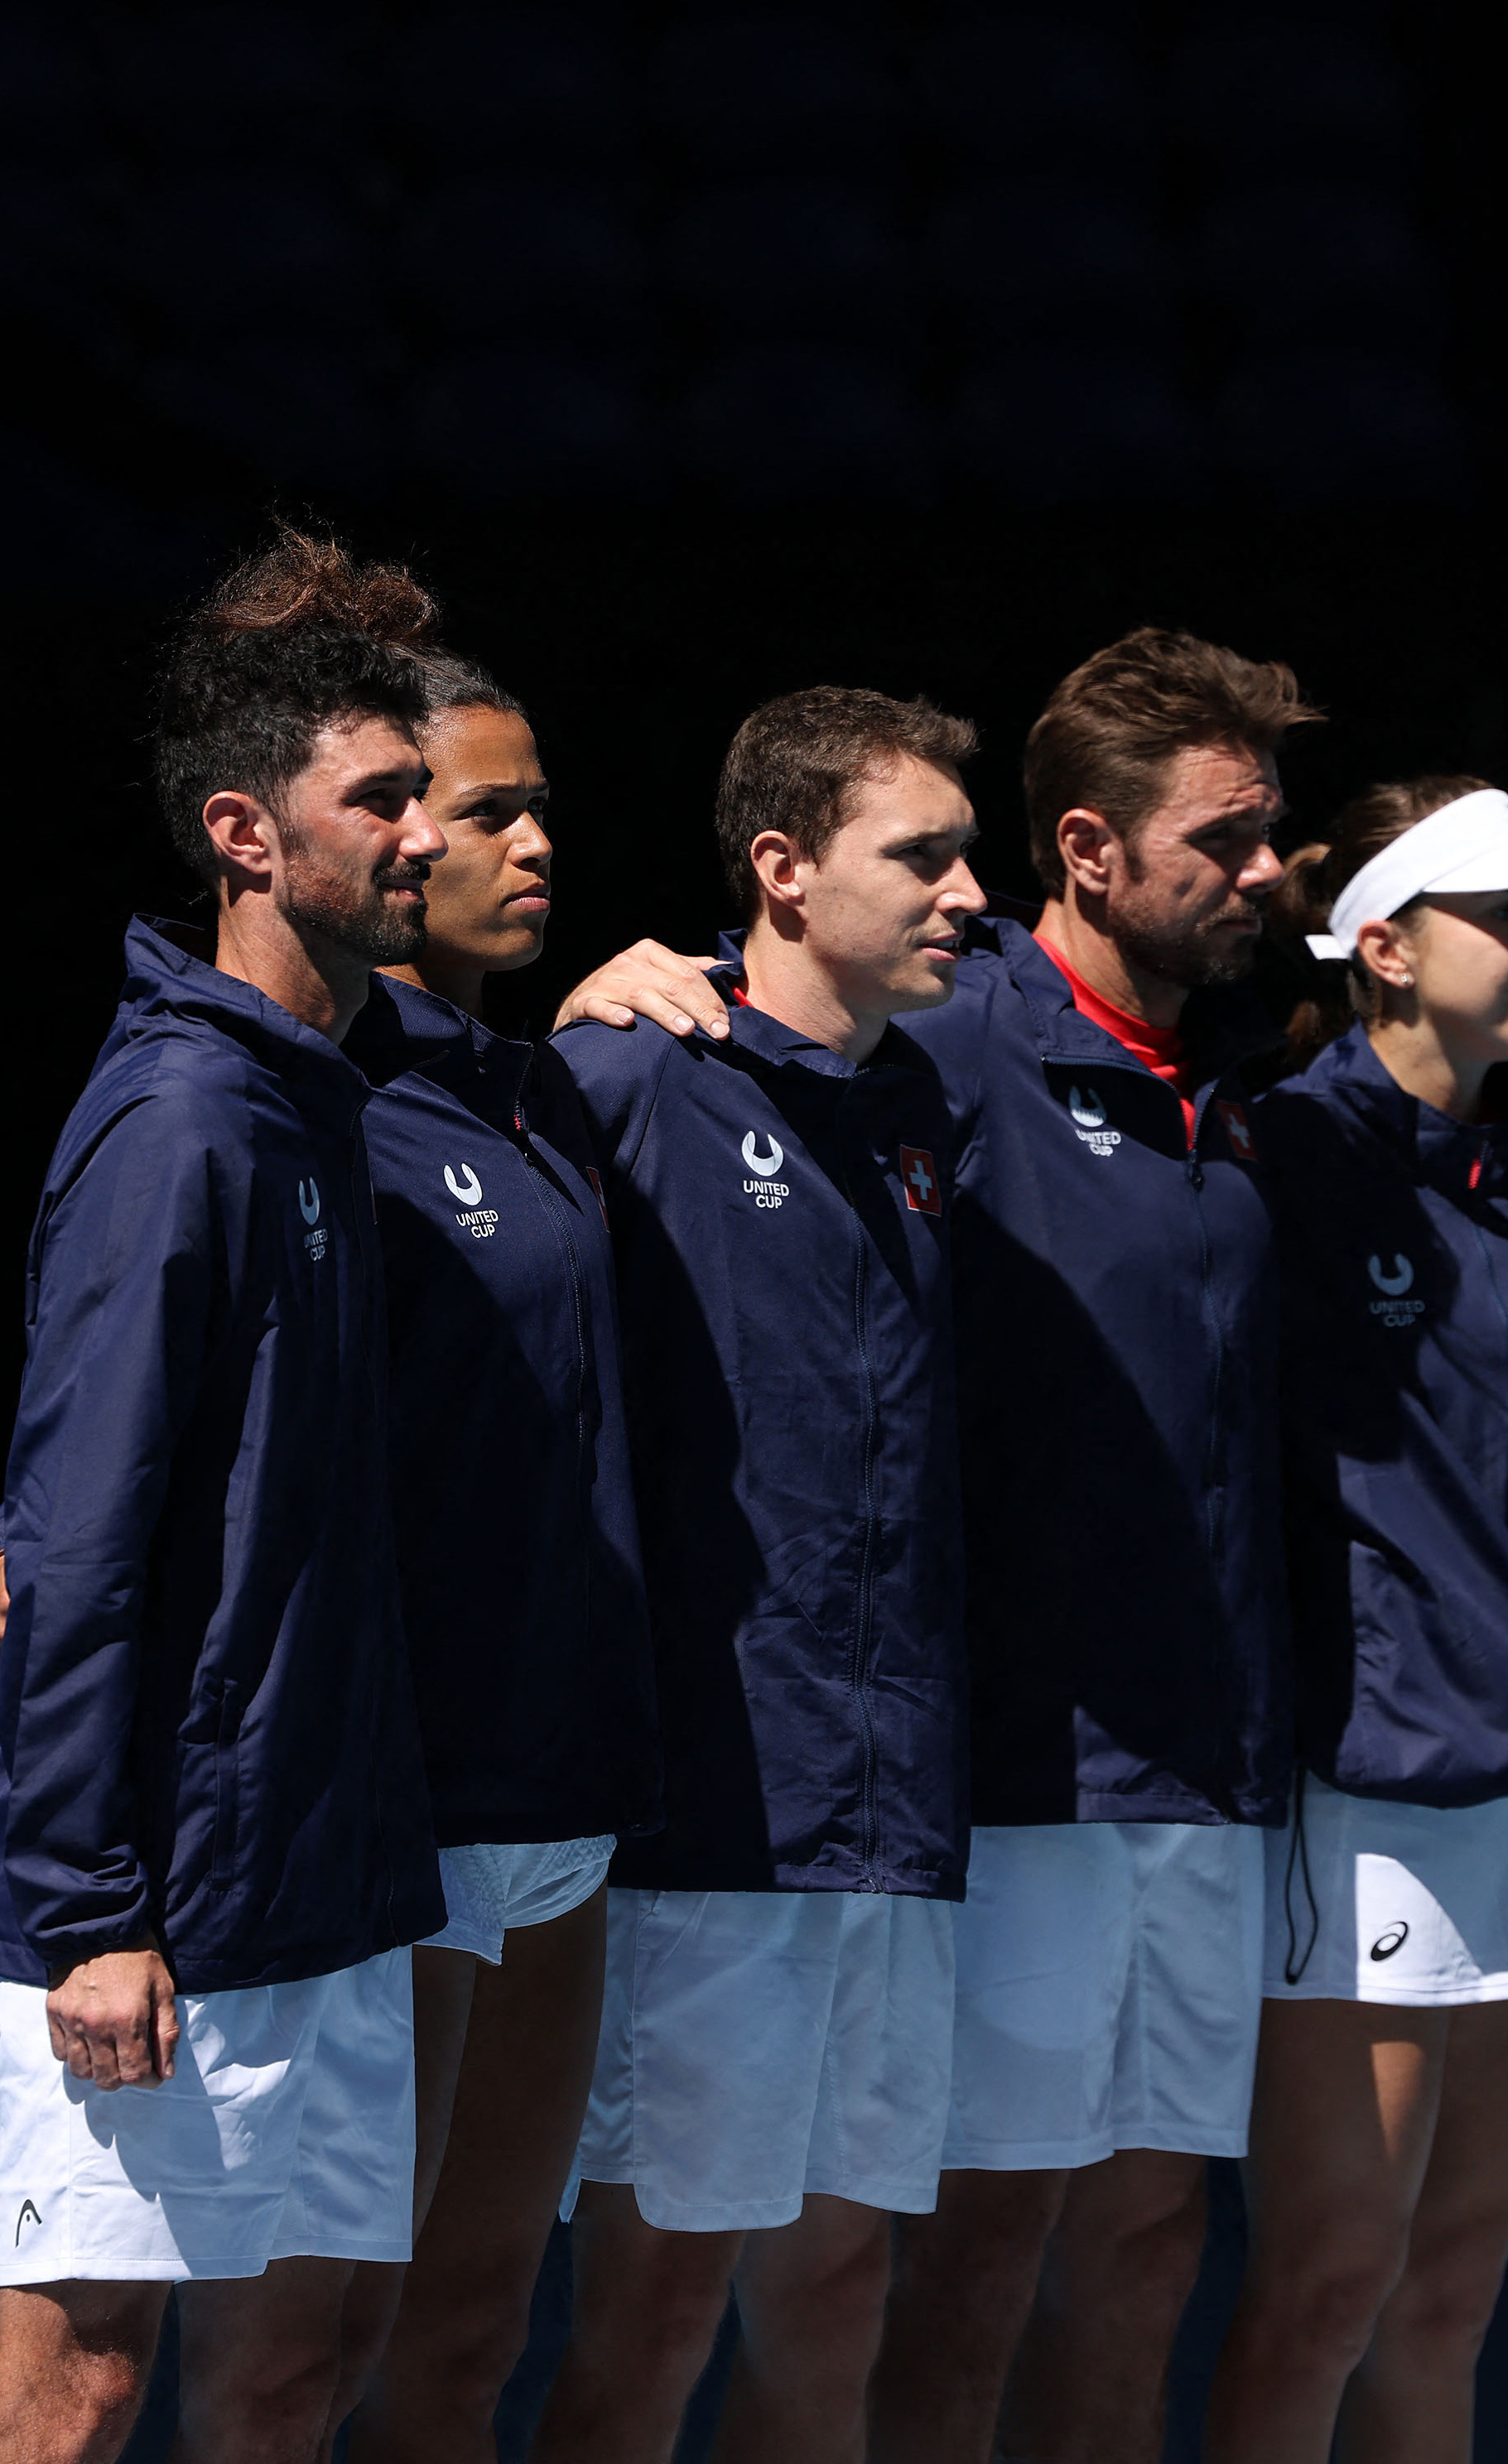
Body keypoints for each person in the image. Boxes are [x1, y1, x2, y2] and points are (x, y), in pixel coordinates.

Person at [564, 631, 1320, 2459]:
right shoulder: (780, 1060)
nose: (960, 897)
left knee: (987, 2263)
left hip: (1002, 1791)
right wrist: (607, 990)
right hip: (840, 1790)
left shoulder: (1055, 1086)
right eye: (924, 856)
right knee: (744, 2290)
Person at [0, 532, 450, 2464]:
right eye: (384, 799)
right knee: (74, 2390)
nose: (426, 834)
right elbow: (72, 1533)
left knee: (291, 2382)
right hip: (162, 1893)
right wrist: (89, 1906)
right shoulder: (184, 1121)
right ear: (250, 835)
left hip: (316, 1876)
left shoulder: (319, 1089)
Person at [530, 689, 985, 2464]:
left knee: (840, 2306)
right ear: (784, 872)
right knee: (650, 2318)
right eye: (925, 857)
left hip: (896, 1815)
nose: (971, 895)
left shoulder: (924, 1103)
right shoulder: (628, 1076)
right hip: (710, 1825)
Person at [1202, 777, 1508, 2464]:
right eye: (1507, 915)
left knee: (1448, 2292)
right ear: (1382, 946)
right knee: (1328, 2284)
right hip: (1362, 1797)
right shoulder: (1280, 1153)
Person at [335, 655, 661, 2464]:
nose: (536, 842)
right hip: (402, 1807)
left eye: (540, 805)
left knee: (467, 2340)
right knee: (314, 2351)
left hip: (561, 1794)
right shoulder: (303, 1085)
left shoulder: (541, 1087)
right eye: (488, 812)